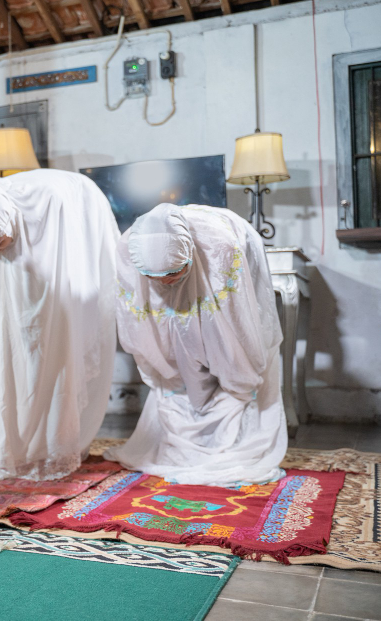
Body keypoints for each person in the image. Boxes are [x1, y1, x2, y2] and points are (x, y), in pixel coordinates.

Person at [104, 203, 287, 486]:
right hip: (178, 270)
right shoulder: (127, 249)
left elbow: (237, 323)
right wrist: (165, 361)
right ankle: (191, 425)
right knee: (172, 338)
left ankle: (229, 428)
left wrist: (239, 374)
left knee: (222, 340)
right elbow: (137, 318)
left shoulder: (222, 246)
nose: (166, 282)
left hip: (221, 265)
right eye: (156, 277)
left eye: (173, 274)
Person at [0, 169, 119, 480]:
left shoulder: (53, 204)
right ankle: (4, 443)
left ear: (9, 222)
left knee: (52, 350)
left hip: (60, 240)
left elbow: (61, 281)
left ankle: (49, 445)